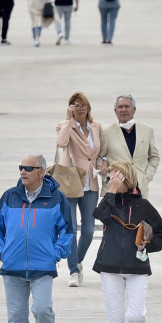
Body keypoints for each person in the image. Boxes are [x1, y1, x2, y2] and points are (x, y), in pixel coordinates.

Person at [0, 153, 73, 323]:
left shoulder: (56, 199)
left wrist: (55, 253)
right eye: (21, 167)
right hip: (13, 267)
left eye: (28, 168)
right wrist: (1, 250)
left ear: (42, 172)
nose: (23, 172)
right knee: (16, 316)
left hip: (42, 267)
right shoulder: (10, 197)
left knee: (43, 310)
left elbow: (67, 231)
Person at [93, 160, 162, 323]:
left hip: (137, 265)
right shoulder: (109, 203)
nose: (110, 180)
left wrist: (149, 245)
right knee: (114, 319)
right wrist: (111, 194)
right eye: (110, 178)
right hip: (109, 266)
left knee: (136, 316)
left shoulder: (143, 205)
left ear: (125, 178)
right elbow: (99, 216)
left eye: (114, 176)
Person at [56, 92, 102, 287]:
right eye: (75, 105)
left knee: (89, 229)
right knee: (71, 228)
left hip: (90, 182)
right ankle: (73, 271)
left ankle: (78, 261)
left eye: (82, 105)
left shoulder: (96, 127)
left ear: (88, 107)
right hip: (70, 182)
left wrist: (103, 164)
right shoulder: (65, 126)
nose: (80, 108)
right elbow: (61, 143)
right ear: (70, 108)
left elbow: (100, 152)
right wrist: (68, 120)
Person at [98, 95, 160, 198]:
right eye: (120, 107)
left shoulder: (147, 130)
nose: (123, 110)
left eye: (127, 106)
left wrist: (146, 176)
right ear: (115, 110)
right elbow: (99, 157)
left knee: (139, 214)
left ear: (134, 109)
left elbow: (154, 157)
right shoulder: (106, 132)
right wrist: (108, 177)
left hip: (139, 187)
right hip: (116, 189)